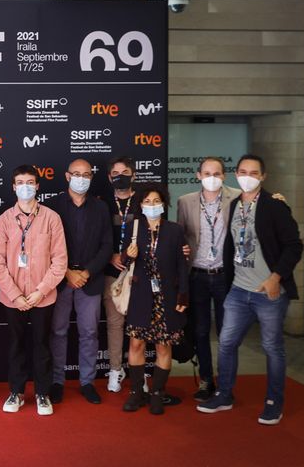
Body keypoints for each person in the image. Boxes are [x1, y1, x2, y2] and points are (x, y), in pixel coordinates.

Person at [197, 154, 303, 426]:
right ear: (235, 173)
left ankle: (273, 402)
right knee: (227, 343)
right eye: (243, 171)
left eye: (254, 173)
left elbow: (294, 246)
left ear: (263, 177)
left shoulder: (275, 206)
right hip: (238, 291)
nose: (248, 176)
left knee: (272, 347)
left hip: (268, 292)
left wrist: (276, 278)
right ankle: (224, 394)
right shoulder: (233, 205)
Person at [0, 165, 67, 416]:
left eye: (30, 181)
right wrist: (16, 296)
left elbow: (59, 261)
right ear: (13, 187)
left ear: (37, 186)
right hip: (13, 299)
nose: (25, 186)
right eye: (20, 182)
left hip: (42, 297)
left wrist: (40, 292)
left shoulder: (52, 218)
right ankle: (17, 392)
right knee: (16, 346)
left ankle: (42, 394)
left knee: (42, 346)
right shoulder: (3, 220)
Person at [121, 185, 189, 415]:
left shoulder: (174, 231)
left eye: (156, 201)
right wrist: (127, 256)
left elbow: (182, 265)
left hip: (167, 297)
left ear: (164, 204)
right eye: (147, 201)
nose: (152, 205)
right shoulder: (133, 228)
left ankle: (158, 391)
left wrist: (183, 295)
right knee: (136, 343)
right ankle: (136, 392)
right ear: (140, 205)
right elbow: (124, 262)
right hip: (141, 296)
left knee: (163, 345)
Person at [48, 159, 112, 405]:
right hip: (60, 280)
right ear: (67, 176)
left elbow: (107, 245)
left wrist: (87, 272)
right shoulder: (52, 207)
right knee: (58, 332)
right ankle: (57, 382)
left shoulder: (100, 208)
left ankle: (87, 382)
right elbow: (46, 247)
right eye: (77, 174)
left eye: (86, 174)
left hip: (90, 280)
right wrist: (66, 273)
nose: (81, 178)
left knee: (89, 333)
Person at [176, 157, 239, 401]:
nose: (212, 177)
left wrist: (276, 200)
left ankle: (226, 383)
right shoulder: (185, 202)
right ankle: (205, 381)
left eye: (217, 173)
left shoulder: (236, 197)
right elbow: (181, 236)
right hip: (197, 275)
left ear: (224, 176)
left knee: (227, 332)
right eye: (207, 173)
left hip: (225, 275)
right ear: (198, 175)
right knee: (200, 331)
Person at [101, 156, 141, 393]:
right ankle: (116, 369)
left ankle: (139, 372)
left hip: (139, 272)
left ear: (133, 175)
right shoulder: (102, 203)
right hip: (111, 272)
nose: (120, 176)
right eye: (115, 173)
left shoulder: (145, 201)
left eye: (125, 171)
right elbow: (94, 238)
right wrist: (110, 256)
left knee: (139, 324)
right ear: (109, 177)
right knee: (115, 324)